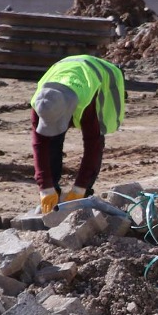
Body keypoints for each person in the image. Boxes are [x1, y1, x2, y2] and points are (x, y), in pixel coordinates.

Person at [29, 55, 126, 214]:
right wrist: (45, 187)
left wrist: (80, 187)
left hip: (103, 79)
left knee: (97, 137)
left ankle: (84, 194)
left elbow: (91, 146)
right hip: (66, 72)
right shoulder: (41, 103)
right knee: (51, 140)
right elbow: (39, 145)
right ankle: (54, 194)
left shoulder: (86, 104)